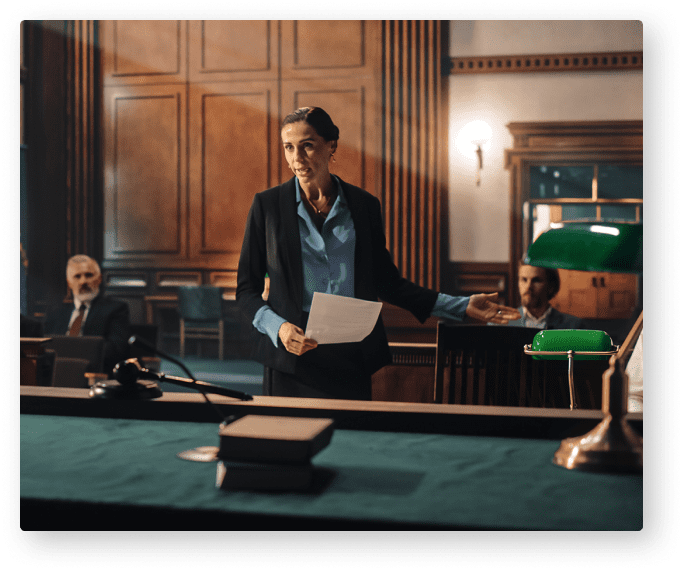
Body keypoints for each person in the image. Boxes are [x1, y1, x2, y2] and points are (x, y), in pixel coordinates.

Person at [236, 107, 521, 400]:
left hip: (351, 355)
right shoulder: (266, 207)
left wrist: (460, 306)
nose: (297, 157)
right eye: (289, 147)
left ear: (331, 145)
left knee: (353, 443)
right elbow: (246, 290)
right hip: (291, 358)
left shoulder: (363, 206)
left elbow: (388, 283)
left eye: (307, 145)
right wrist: (279, 328)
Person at [43, 255, 131, 374]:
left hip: (96, 375)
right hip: (57, 374)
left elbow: (116, 350)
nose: (83, 281)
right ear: (69, 283)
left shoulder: (116, 309)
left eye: (89, 275)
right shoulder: (56, 312)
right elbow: (45, 347)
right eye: (77, 276)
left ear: (99, 279)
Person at [502, 263, 585, 330]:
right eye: (524, 280)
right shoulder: (503, 323)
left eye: (536, 280)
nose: (528, 287)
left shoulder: (573, 326)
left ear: (551, 287)